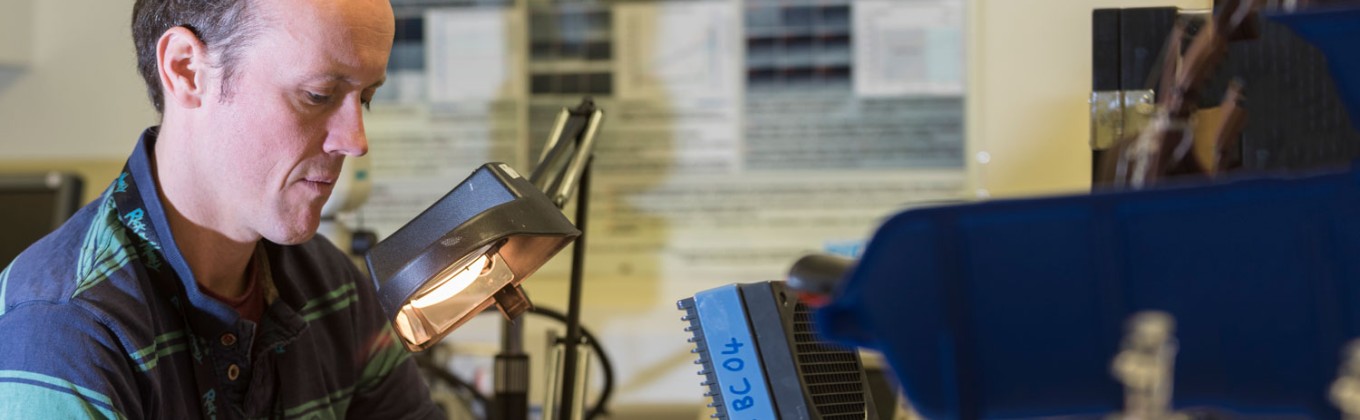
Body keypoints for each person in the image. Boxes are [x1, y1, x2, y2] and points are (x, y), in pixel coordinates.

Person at [0, 0, 443, 418]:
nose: (355, 141)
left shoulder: (333, 289)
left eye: (365, 97)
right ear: (187, 70)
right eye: (318, 94)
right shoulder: (66, 329)